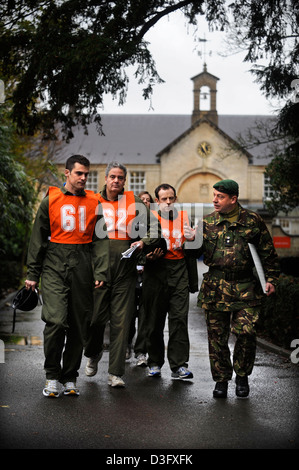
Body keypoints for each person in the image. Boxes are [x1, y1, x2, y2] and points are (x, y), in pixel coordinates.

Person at [25, 155, 109, 397]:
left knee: (78, 324)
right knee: (56, 321)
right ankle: (52, 375)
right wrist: (33, 273)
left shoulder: (95, 202)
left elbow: (101, 240)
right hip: (54, 263)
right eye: (79, 173)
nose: (83, 178)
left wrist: (101, 270)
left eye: (86, 174)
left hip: (83, 266)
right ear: (67, 173)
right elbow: (38, 238)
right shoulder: (50, 199)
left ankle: (70, 376)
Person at [190, 179, 280, 398]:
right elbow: (194, 253)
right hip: (216, 288)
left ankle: (242, 375)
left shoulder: (253, 220)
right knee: (217, 337)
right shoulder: (207, 221)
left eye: (220, 197)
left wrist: (272, 279)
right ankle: (221, 380)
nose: (214, 200)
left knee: (246, 333)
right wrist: (190, 241)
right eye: (214, 195)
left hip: (245, 287)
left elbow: (268, 252)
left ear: (233, 199)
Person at [84, 162, 162, 387]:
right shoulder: (93, 201)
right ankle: (93, 352)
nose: (116, 181)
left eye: (120, 177)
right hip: (98, 269)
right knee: (96, 319)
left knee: (122, 322)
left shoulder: (134, 202)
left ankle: (115, 373)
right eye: (112, 177)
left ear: (124, 181)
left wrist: (142, 242)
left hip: (125, 269)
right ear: (105, 178)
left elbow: (154, 228)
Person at [144, 183, 198, 380]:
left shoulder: (184, 217)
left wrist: (193, 240)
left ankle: (179, 365)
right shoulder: (149, 219)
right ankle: (154, 362)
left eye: (171, 198)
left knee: (179, 320)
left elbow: (194, 250)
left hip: (179, 271)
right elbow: (140, 247)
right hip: (156, 272)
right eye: (164, 199)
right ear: (157, 201)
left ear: (175, 199)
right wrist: (147, 257)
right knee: (154, 320)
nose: (168, 202)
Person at [126, 191, 156, 367]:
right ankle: (127, 344)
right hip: (130, 275)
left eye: (148, 200)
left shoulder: (154, 224)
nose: (144, 203)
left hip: (148, 274)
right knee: (128, 314)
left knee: (145, 316)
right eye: (142, 200)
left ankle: (141, 352)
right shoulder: (129, 222)